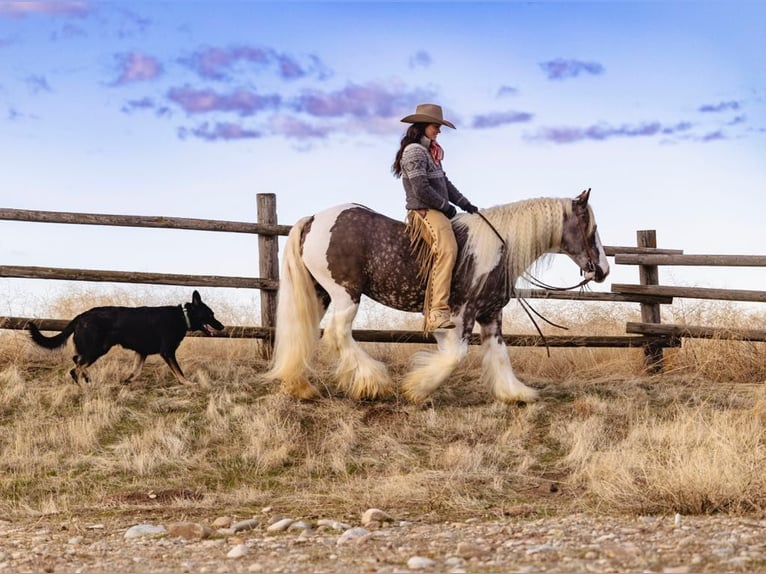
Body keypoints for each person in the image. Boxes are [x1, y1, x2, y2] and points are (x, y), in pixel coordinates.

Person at [392, 103, 479, 333]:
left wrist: (464, 203)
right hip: (424, 211)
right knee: (447, 249)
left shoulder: (431, 152)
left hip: (438, 209)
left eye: (439, 127)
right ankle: (438, 311)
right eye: (435, 126)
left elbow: (444, 183)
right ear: (422, 126)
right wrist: (446, 207)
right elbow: (420, 189)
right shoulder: (414, 151)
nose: (439, 130)